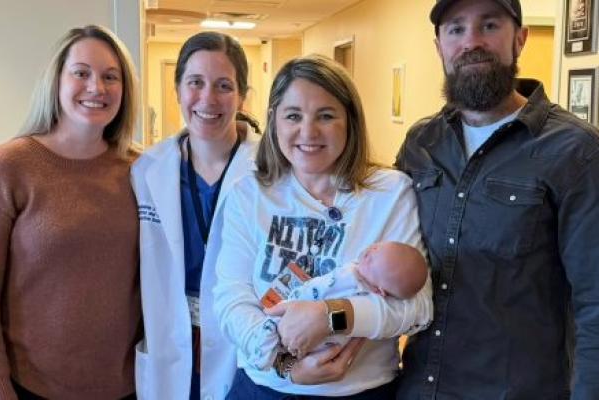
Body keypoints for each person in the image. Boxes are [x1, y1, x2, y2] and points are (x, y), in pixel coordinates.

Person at [395, 0, 599, 399]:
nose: (472, 41)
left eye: (489, 25)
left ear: (519, 39)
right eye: (456, 29)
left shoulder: (576, 151)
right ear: (439, 46)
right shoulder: (422, 144)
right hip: (419, 387)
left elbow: (595, 303)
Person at [214, 54, 433, 400]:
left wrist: (332, 317)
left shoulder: (390, 193)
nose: (308, 132)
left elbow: (417, 308)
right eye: (293, 116)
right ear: (274, 122)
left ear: (351, 121)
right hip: (264, 388)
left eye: (326, 116)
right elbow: (231, 297)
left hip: (363, 392)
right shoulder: (250, 194)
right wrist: (286, 366)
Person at [0, 25, 140, 399]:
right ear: (56, 81)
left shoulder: (143, 169)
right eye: (81, 73)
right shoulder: (11, 165)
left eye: (111, 77)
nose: (97, 87)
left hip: (127, 387)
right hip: (30, 387)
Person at [131, 32, 260, 400]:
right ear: (177, 89)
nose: (208, 99)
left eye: (224, 86)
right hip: (171, 342)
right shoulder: (146, 170)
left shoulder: (271, 171)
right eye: (195, 83)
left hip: (241, 342)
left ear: (242, 96)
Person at [248, 241, 429, 371]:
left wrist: (331, 317)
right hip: (285, 319)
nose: (371, 251)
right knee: (272, 328)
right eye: (378, 247)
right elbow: (233, 295)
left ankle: (268, 354)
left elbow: (419, 312)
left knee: (276, 334)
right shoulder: (356, 269)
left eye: (374, 260)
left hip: (325, 354)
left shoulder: (362, 290)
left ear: (380, 290)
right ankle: (270, 355)